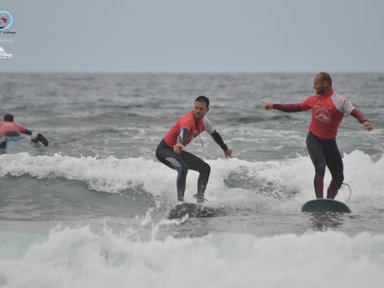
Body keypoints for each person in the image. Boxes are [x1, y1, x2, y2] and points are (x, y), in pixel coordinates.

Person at [261, 72, 373, 199]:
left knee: (338, 176)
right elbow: (295, 107)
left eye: (316, 83)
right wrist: (274, 106)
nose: (313, 86)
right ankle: (319, 201)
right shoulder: (313, 100)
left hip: (330, 142)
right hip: (314, 139)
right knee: (320, 167)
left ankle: (328, 202)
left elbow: (354, 111)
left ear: (325, 83)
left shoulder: (340, 101)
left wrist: (365, 121)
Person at [156, 96, 233, 204]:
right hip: (163, 151)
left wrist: (225, 149)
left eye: (201, 109)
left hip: (176, 151)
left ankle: (200, 200)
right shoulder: (188, 120)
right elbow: (183, 131)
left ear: (207, 110)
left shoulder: (205, 122)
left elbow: (215, 135)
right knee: (183, 168)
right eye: (196, 108)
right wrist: (179, 143)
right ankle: (180, 203)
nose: (198, 111)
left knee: (205, 168)